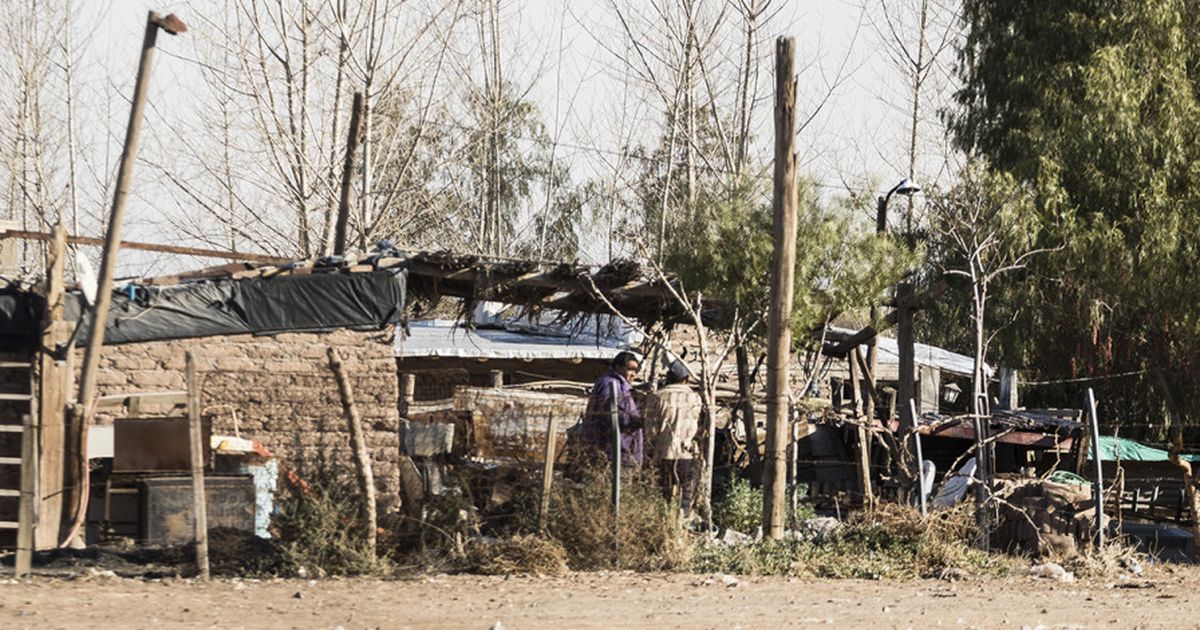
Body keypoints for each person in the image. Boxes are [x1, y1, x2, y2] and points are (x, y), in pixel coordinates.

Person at [643, 359, 702, 516]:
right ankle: (684, 518)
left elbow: (650, 430)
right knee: (687, 491)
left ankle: (663, 520)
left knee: (663, 491)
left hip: (663, 451)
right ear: (685, 379)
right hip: (686, 451)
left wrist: (649, 449)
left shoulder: (657, 396)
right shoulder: (695, 398)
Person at [581, 351, 644, 467]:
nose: (634, 374)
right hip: (613, 450)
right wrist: (639, 421)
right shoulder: (610, 384)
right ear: (618, 367)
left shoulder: (622, 385)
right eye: (630, 369)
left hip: (622, 447)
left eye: (636, 370)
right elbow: (610, 415)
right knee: (616, 482)